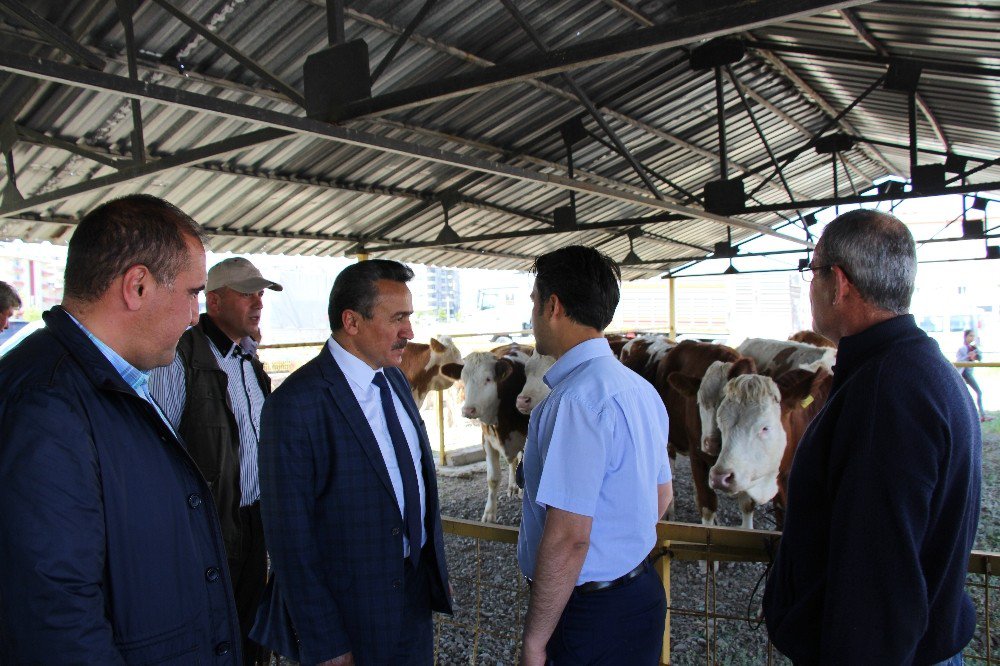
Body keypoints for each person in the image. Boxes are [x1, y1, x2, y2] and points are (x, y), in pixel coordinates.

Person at [0, 195, 242, 663]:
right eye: (193, 293)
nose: (196, 316)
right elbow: (54, 621)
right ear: (137, 286)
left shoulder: (106, 381)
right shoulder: (47, 404)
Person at [765, 209, 982, 664]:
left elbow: (876, 575)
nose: (811, 287)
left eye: (811, 272)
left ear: (838, 282)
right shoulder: (922, 369)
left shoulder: (886, 394)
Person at [251, 259, 452, 665]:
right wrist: (325, 640)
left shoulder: (394, 379)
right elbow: (289, 539)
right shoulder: (295, 405)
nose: (409, 332)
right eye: (397, 318)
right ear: (352, 321)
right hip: (348, 615)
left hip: (412, 599)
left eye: (409, 317)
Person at [517, 245, 672, 666]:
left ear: (553, 306)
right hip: (641, 595)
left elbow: (570, 537)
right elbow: (661, 497)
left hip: (588, 613)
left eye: (534, 303)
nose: (532, 317)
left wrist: (534, 642)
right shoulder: (639, 389)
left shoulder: (574, 402)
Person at [150, 256, 283, 664]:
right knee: (211, 628)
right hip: (208, 527)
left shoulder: (249, 362)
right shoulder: (181, 356)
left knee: (250, 626)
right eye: (246, 293)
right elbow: (159, 448)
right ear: (215, 300)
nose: (257, 302)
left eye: (260, 293)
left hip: (253, 521)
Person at [957, 329, 991, 422]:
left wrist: (977, 351)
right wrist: (968, 356)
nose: (972, 338)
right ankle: (980, 415)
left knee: (968, 394)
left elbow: (979, 358)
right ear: (966, 336)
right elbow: (959, 361)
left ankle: (979, 415)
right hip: (965, 373)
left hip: (968, 372)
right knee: (977, 392)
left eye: (973, 336)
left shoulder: (972, 348)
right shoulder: (963, 348)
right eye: (970, 336)